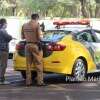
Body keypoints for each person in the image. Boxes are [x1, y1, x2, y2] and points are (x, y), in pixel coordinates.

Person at [21, 13, 45, 86]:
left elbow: (22, 37)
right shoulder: (37, 25)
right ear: (37, 18)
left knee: (28, 65)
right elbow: (40, 37)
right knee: (38, 64)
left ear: (31, 17)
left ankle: (28, 82)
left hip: (27, 45)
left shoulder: (24, 25)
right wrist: (42, 32)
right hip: (35, 45)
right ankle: (40, 82)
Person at [0, 18, 12, 84]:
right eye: (6, 23)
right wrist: (11, 37)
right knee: (3, 65)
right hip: (3, 50)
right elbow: (8, 37)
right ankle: (2, 80)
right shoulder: (3, 31)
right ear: (3, 24)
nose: (6, 25)